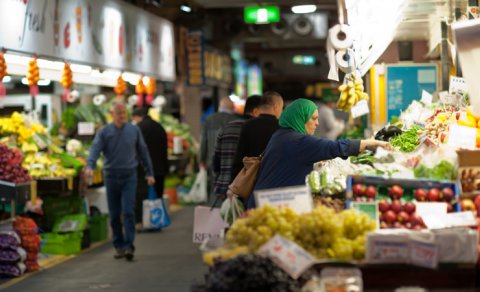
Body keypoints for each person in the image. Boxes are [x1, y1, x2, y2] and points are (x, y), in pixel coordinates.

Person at [246, 98, 391, 209]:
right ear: (300, 118)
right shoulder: (297, 141)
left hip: (266, 200)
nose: (317, 124)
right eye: (314, 119)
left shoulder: (281, 135)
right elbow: (334, 147)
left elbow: (291, 162)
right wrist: (371, 143)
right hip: (268, 207)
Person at [85, 101, 155, 261]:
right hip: (111, 176)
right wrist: (90, 165)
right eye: (119, 113)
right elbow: (95, 149)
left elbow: (143, 151)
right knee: (115, 213)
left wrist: (149, 172)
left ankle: (129, 245)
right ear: (112, 114)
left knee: (129, 211)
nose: (122, 116)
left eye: (124, 113)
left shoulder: (134, 130)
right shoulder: (104, 132)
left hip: (129, 176)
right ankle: (119, 246)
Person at [212, 95, 262, 199]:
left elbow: (216, 162)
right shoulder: (256, 129)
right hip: (245, 189)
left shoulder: (227, 127)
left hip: (224, 186)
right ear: (256, 111)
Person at [231, 91, 284, 180]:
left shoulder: (248, 125)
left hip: (251, 180)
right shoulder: (282, 127)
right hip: (274, 180)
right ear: (276, 107)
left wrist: (234, 183)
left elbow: (240, 157)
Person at [131, 108, 168, 226]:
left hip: (145, 169)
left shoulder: (139, 128)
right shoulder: (159, 127)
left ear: (137, 117)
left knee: (142, 195)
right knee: (158, 195)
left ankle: (141, 222)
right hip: (161, 167)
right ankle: (157, 221)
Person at [199, 97, 239, 202]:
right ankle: (229, 213)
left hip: (212, 161)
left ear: (220, 107)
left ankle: (215, 213)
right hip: (231, 162)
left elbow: (204, 141)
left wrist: (202, 159)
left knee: (214, 190)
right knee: (231, 191)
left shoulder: (209, 120)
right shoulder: (236, 120)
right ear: (232, 108)